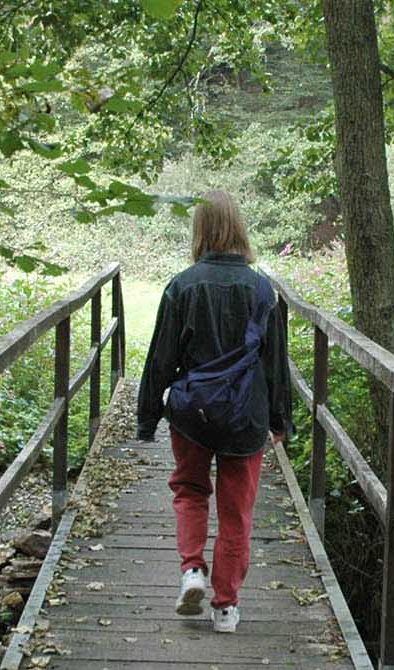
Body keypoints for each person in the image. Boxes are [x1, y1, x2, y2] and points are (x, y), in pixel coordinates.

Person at [135, 190, 293, 634]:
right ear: (239, 228)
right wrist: (281, 421)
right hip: (246, 417)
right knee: (237, 510)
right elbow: (275, 364)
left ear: (200, 229)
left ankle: (191, 571)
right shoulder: (263, 289)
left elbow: (160, 359)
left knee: (189, 490)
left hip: (192, 414)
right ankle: (225, 607)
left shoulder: (181, 285)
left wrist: (148, 417)